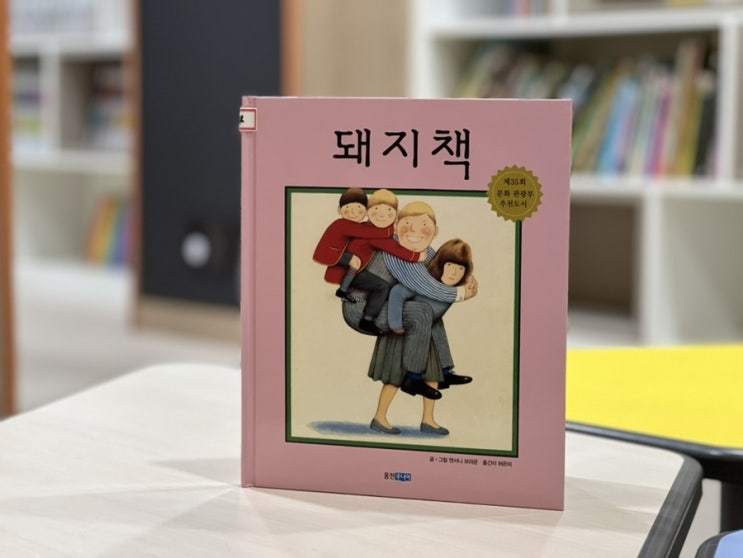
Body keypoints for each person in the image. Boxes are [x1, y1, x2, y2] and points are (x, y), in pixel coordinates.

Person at [341, 201, 478, 436]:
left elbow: (437, 276)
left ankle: (433, 406)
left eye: (424, 225)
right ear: (396, 227)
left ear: (435, 231)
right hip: (364, 309)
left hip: (396, 309)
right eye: (408, 223)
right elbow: (424, 286)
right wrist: (461, 293)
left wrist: (463, 278)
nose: (415, 230)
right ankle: (402, 390)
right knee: (422, 314)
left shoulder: (428, 254)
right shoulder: (394, 250)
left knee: (431, 326)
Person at [314, 188, 425, 335]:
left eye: (389, 211)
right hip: (347, 270)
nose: (382, 215)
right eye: (376, 210)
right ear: (369, 212)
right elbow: (393, 248)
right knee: (382, 287)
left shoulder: (365, 227)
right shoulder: (370, 232)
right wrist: (416, 256)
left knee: (380, 284)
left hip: (352, 268)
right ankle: (367, 320)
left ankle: (358, 308)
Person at [387, 238, 473, 335]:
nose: (454, 273)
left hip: (428, 327)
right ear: (440, 265)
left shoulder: (455, 290)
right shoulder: (426, 282)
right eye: (449, 265)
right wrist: (396, 326)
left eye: (460, 268)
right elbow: (397, 291)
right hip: (406, 323)